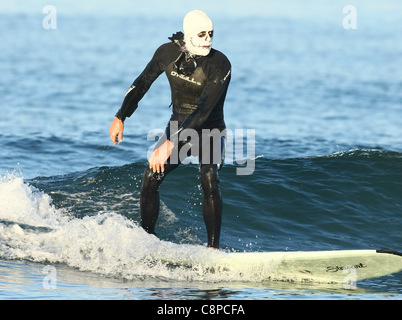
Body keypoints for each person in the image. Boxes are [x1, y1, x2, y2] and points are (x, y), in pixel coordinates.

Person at [109, 10, 231, 249]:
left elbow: (204, 111)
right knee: (151, 176)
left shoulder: (220, 64)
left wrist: (170, 143)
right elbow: (142, 82)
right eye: (202, 34)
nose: (208, 39)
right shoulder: (167, 53)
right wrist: (120, 116)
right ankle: (148, 239)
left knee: (209, 177)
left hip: (210, 130)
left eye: (211, 34)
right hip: (177, 126)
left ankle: (213, 249)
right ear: (188, 35)